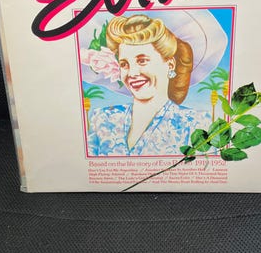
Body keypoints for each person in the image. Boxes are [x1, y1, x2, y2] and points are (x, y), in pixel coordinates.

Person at [87, 14, 211, 156]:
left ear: (170, 64)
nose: (132, 73)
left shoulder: (195, 123)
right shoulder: (102, 118)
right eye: (124, 64)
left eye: (142, 61)